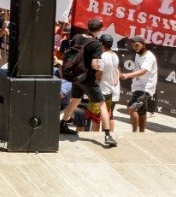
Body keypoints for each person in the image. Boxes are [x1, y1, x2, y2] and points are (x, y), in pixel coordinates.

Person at [58, 18, 118, 147]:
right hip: (87, 79)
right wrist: (99, 66)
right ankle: (107, 135)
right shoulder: (96, 44)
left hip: (75, 77)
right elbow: (94, 65)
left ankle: (62, 124)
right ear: (99, 30)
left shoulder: (77, 37)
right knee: (102, 105)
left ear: (88, 27)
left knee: (75, 100)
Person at [120, 37, 158, 132]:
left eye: (137, 45)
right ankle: (141, 133)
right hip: (138, 87)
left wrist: (128, 75)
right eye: (133, 46)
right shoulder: (138, 55)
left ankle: (134, 133)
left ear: (143, 44)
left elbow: (143, 71)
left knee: (131, 108)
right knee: (141, 111)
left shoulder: (149, 57)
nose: (135, 48)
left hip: (145, 89)